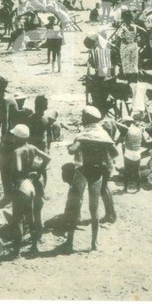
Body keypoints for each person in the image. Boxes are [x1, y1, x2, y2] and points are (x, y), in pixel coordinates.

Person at [60, 106, 118, 253]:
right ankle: (94, 243)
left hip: (83, 171)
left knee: (75, 204)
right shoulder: (103, 135)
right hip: (97, 172)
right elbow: (115, 152)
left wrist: (72, 146)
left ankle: (69, 241)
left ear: (86, 119)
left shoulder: (84, 136)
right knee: (94, 208)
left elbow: (72, 150)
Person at [8, 124, 51, 257]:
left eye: (14, 135)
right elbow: (48, 158)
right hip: (34, 185)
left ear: (18, 137)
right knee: (32, 218)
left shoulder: (17, 151)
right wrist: (38, 169)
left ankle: (16, 252)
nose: (13, 137)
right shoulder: (32, 148)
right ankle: (34, 247)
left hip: (22, 185)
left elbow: (18, 169)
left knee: (18, 219)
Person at [0, 75, 20, 204]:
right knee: (7, 166)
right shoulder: (0, 98)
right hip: (10, 135)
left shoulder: (5, 99)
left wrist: (2, 142)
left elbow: (6, 122)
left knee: (4, 166)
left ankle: (9, 195)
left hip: (12, 136)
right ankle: (11, 194)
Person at [116, 118, 144, 192]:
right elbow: (143, 141)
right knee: (137, 171)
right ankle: (138, 188)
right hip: (137, 152)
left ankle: (125, 188)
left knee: (126, 171)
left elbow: (119, 141)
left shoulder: (126, 130)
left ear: (126, 123)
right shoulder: (139, 129)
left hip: (129, 152)